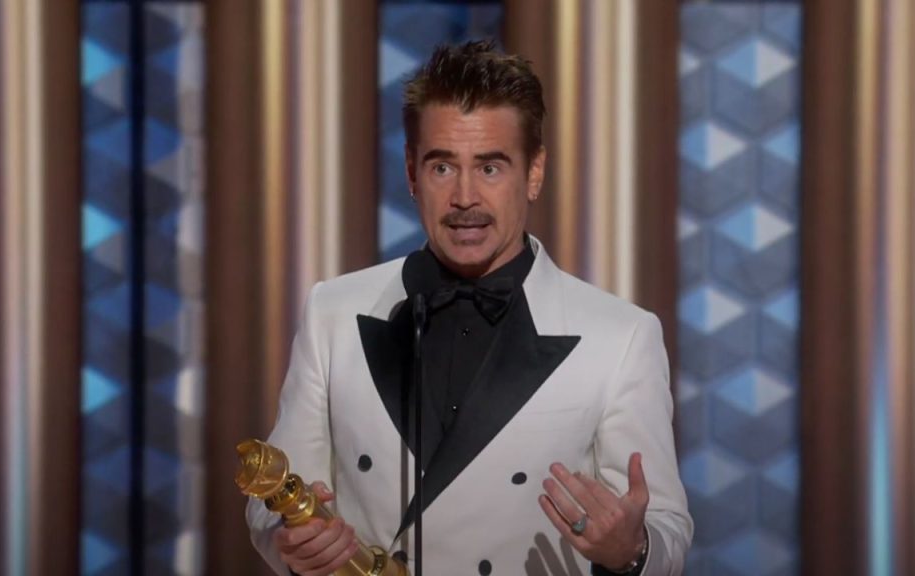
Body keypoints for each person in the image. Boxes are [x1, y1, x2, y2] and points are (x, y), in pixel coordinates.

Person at [247, 40, 692, 576]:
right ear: (412, 173)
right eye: (441, 168)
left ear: (534, 173)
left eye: (490, 168)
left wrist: (632, 549)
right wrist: (289, 544)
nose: (464, 198)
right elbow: (273, 494)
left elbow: (666, 527)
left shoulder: (620, 337)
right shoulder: (333, 312)